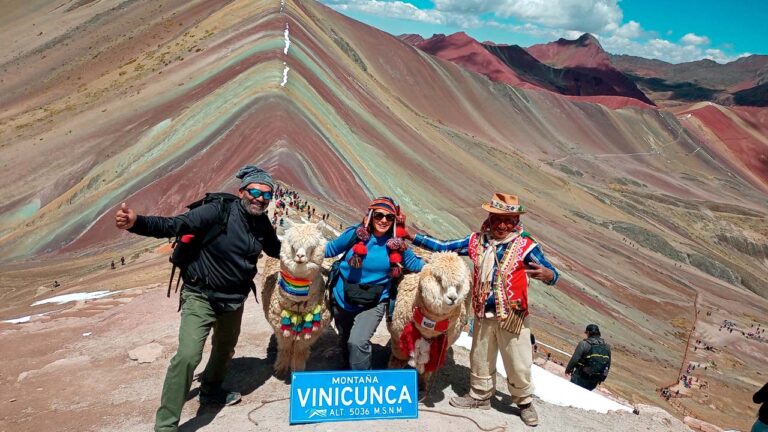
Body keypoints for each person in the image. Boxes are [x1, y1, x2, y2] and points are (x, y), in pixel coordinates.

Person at [115, 165, 280, 432]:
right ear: (241, 191)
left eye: (266, 195)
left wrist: (316, 252)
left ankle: (211, 392)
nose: (259, 198)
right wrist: (137, 223)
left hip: (234, 299)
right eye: (254, 191)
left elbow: (277, 250)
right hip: (201, 295)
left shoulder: (262, 224)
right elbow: (175, 225)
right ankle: (166, 426)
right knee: (188, 356)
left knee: (225, 349)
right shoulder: (218, 211)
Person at [407, 192, 558, 427]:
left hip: (512, 316)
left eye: (508, 220)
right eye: (497, 219)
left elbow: (550, 272)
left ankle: (524, 402)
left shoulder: (526, 246)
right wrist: (412, 237)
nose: (502, 225)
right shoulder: (477, 241)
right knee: (480, 357)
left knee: (518, 361)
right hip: (482, 313)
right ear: (490, 217)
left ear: (516, 221)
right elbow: (445, 247)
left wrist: (549, 275)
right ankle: (480, 395)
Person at [325, 197, 424, 370]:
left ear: (394, 220)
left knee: (357, 342)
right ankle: (348, 367)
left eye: (389, 217)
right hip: (343, 297)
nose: (383, 220)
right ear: (370, 216)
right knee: (346, 339)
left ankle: (363, 382)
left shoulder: (397, 245)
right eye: (379, 215)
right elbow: (330, 249)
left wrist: (442, 266)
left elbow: (415, 265)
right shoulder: (355, 235)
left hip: (374, 301)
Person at [565, 324, 612, 391]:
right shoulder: (606, 347)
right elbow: (608, 364)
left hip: (581, 376)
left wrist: (568, 370)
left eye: (586, 333)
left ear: (589, 332)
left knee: (573, 393)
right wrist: (602, 377)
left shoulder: (584, 344)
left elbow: (575, 359)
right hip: (595, 379)